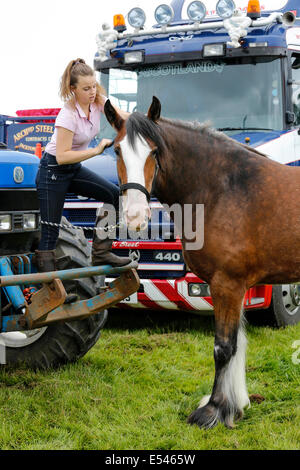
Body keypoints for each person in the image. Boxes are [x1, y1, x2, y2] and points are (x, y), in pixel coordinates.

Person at [35, 58, 131, 283]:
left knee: (113, 194)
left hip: (73, 168)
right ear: (73, 89)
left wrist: (151, 123)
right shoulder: (67, 115)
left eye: (94, 86)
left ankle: (101, 252)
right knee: (50, 231)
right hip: (53, 170)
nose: (92, 92)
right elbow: (62, 156)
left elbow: (123, 116)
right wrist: (97, 150)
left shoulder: (99, 101)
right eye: (86, 88)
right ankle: (52, 289)